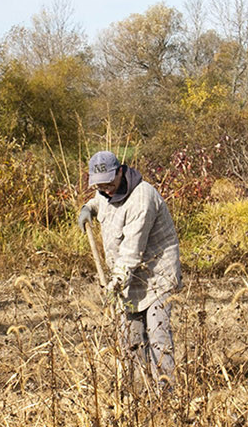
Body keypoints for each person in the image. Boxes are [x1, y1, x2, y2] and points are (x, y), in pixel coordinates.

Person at [77, 150, 180, 392]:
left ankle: (166, 397)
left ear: (121, 171)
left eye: (110, 184)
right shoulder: (105, 191)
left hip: (157, 277)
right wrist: (88, 207)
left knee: (157, 337)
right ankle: (138, 396)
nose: (107, 190)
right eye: (101, 186)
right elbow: (100, 200)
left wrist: (114, 284)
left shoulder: (142, 198)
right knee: (131, 340)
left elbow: (132, 250)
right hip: (126, 278)